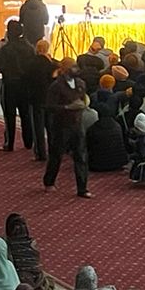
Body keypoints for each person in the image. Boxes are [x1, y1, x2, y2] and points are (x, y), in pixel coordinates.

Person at [42, 59, 92, 197]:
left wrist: (82, 105)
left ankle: (82, 188)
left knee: (81, 156)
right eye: (72, 67)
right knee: (57, 155)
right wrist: (67, 107)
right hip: (61, 125)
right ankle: (49, 181)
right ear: (64, 69)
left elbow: (83, 99)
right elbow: (49, 107)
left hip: (77, 124)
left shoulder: (81, 83)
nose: (75, 69)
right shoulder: (56, 86)